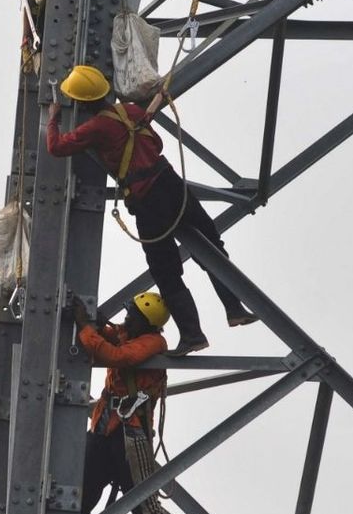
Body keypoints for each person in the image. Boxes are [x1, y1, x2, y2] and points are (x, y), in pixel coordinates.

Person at [47, 65, 258, 356]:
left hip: (147, 198)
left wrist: (53, 118)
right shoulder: (132, 111)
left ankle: (193, 335)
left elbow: (56, 147)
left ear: (81, 102)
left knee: (166, 271)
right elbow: (156, 142)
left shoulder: (95, 128)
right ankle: (234, 308)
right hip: (171, 183)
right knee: (212, 245)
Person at [73, 293, 180, 514]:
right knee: (81, 495)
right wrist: (97, 325)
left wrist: (84, 326)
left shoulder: (153, 343)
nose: (127, 319)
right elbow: (112, 338)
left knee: (145, 508)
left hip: (130, 434)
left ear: (146, 323)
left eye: (133, 316)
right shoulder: (130, 334)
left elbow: (117, 356)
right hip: (105, 428)